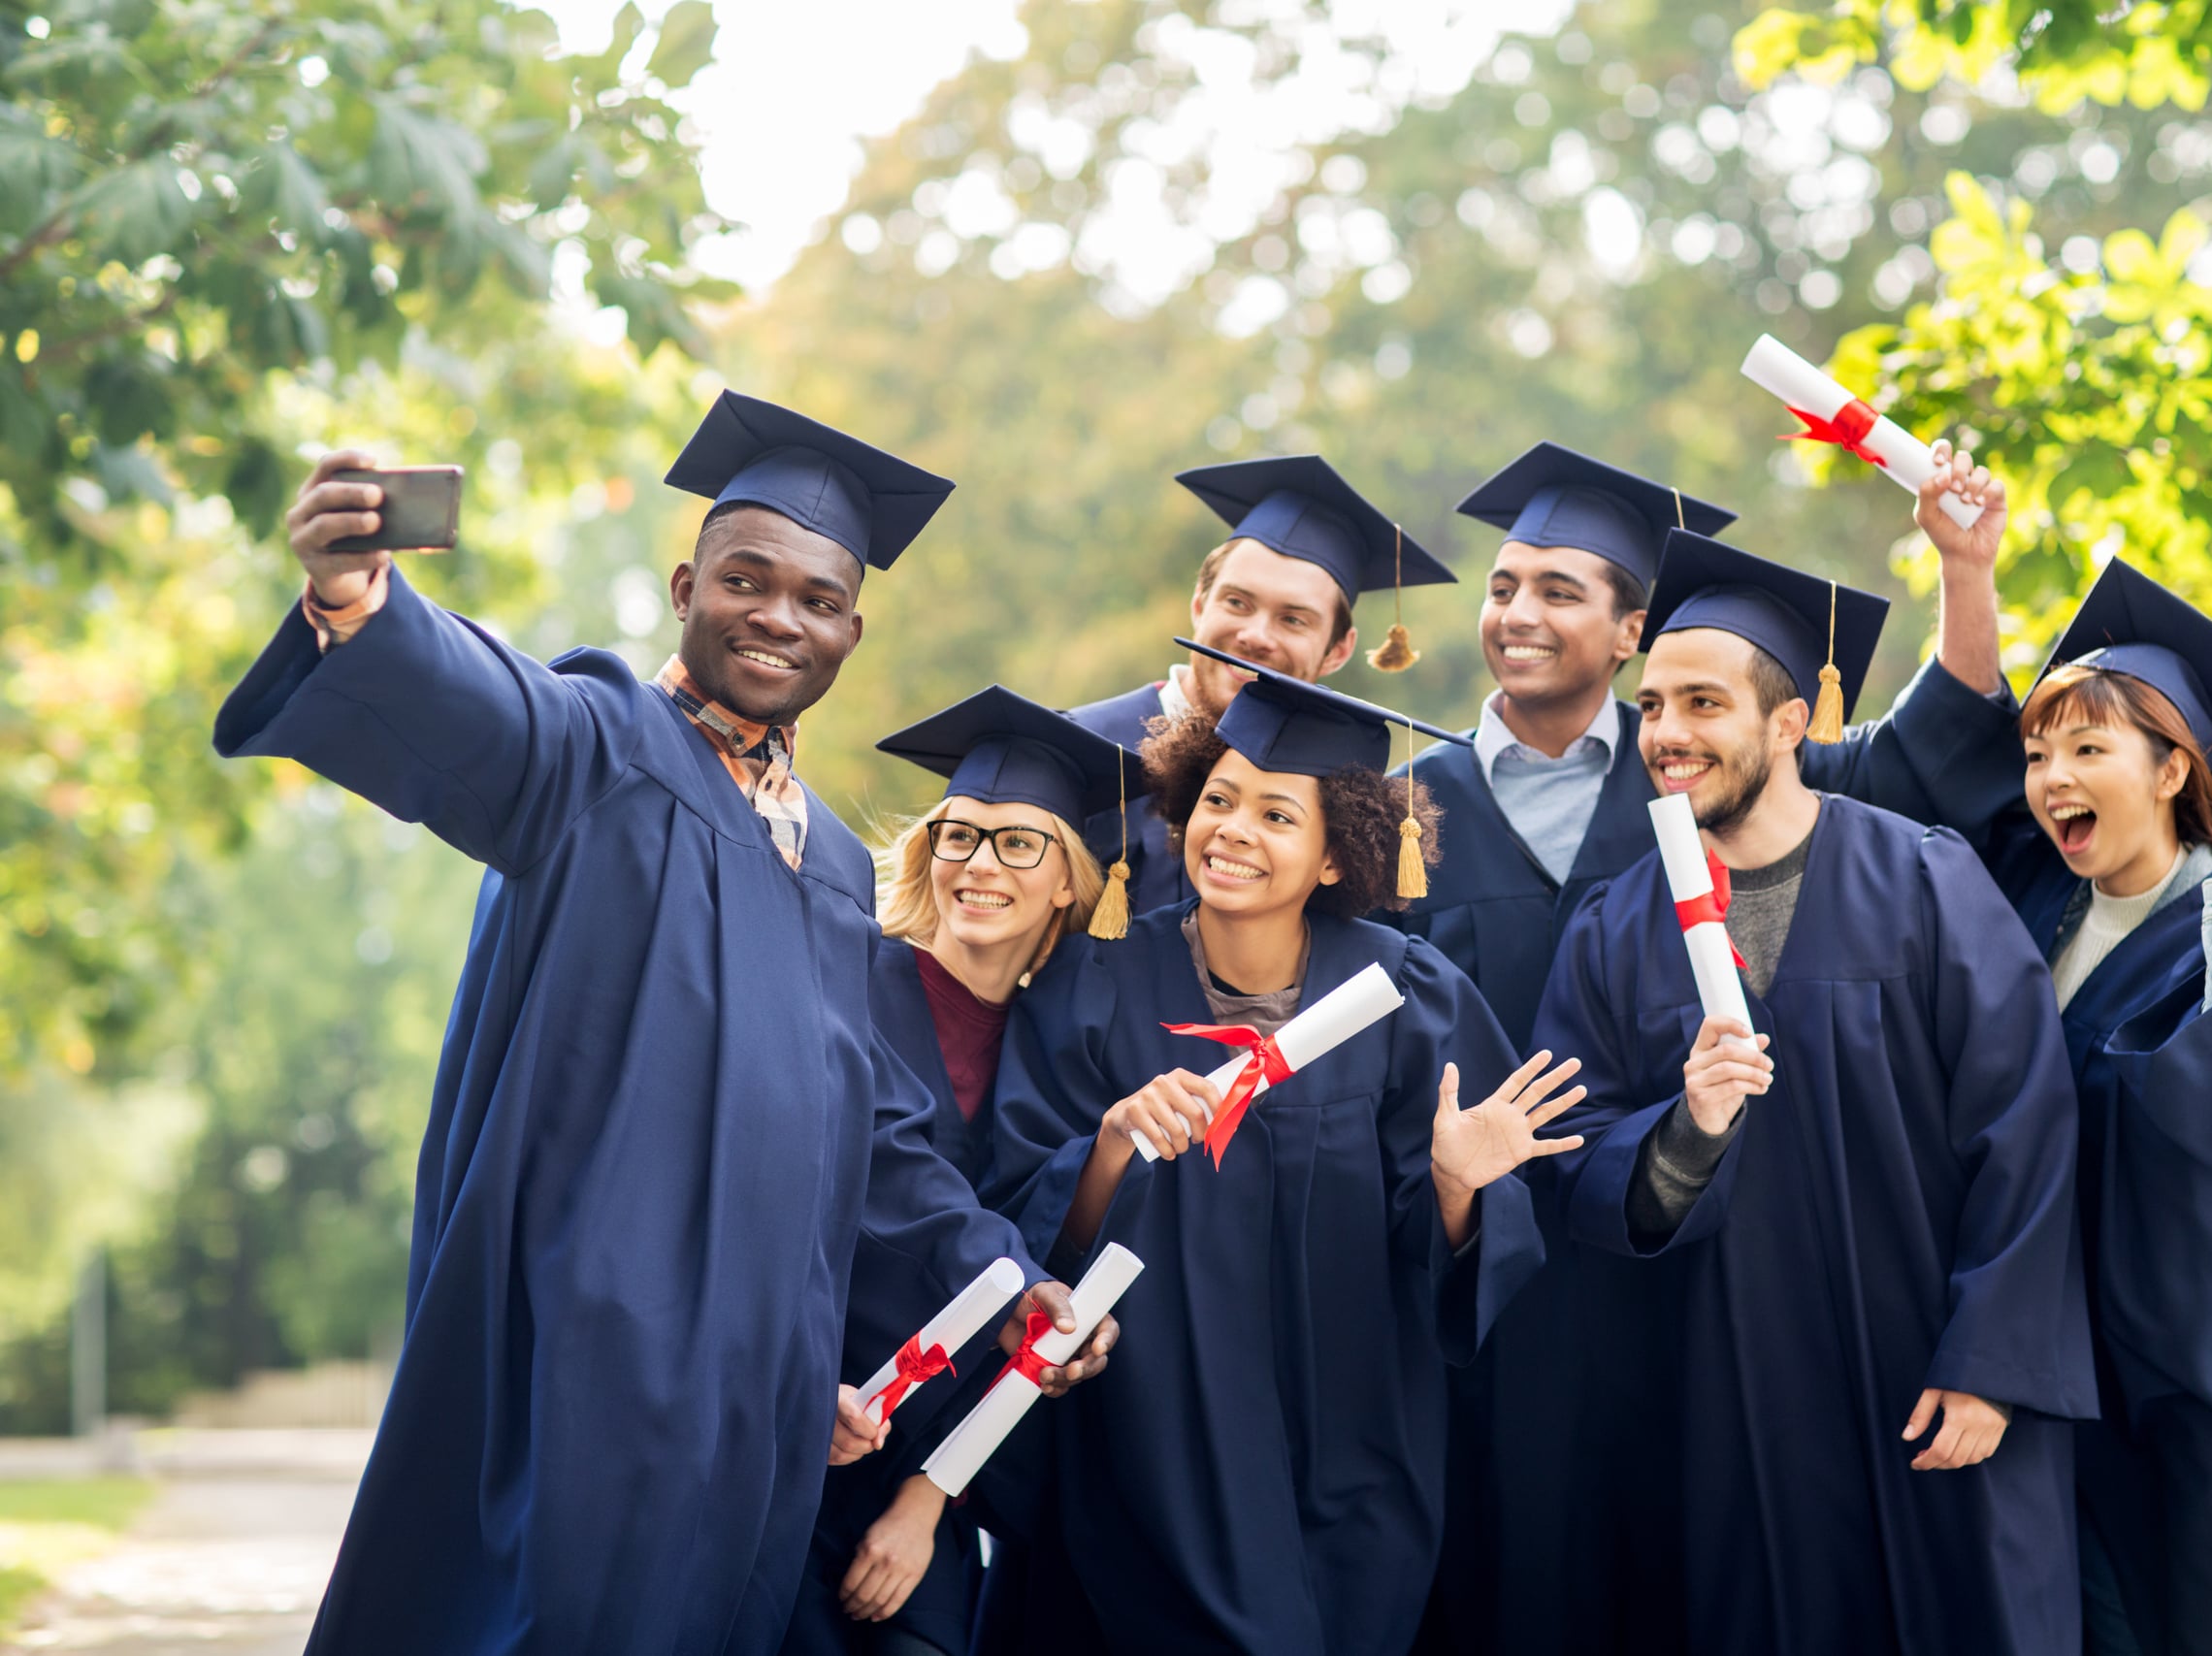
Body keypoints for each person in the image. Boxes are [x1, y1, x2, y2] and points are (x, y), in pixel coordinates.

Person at [215, 392, 1111, 1656]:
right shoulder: (605, 748)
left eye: (815, 597)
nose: (777, 616)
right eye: (747, 579)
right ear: (688, 583)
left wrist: (1007, 1283)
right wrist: (355, 599)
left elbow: (883, 1143)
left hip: (760, 1387)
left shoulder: (839, 869)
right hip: (594, 1350)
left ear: (853, 625)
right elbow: (493, 708)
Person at [1405, 441, 2031, 1656]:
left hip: (1833, 1307)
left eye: (1562, 589)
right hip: (1588, 1290)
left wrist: (1965, 568)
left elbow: (2021, 1120)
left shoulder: (1858, 847)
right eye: (1502, 585)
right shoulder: (1408, 815)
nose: (1672, 730)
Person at [1530, 531, 2096, 1655]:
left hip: (1924, 1381)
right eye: (1650, 709)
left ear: (1789, 724)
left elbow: (2025, 1130)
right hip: (1723, 1397)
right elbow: (1569, 1153)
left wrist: (1989, 1364)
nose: (1668, 736)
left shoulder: (1925, 878)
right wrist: (1683, 1134)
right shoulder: (1610, 923)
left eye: (1702, 704)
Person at [981, 643, 1584, 1655]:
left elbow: (1452, 1265)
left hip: (1351, 1453)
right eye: (1219, 799)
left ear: (1338, 853)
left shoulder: (1410, 999)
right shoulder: (1094, 983)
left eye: (1276, 814)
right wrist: (1115, 1140)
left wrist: (1454, 1186)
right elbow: (1021, 1223)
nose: (1233, 831)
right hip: (1146, 1445)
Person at [1902, 544, 2212, 1656]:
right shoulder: (2030, 897)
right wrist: (1962, 564)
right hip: (2053, 1365)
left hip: (2199, 1367)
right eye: (2040, 752)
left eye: (2088, 748)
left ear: (2171, 769)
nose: (2049, 779)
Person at [785, 688, 1133, 1656]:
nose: (978, 865)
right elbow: (874, 1178)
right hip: (788, 1428)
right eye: (958, 836)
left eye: (1017, 842)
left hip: (922, 1473)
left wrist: (929, 1492)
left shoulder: (1057, 1053)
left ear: (1069, 878)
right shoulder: (845, 978)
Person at [1069, 456, 1453, 916]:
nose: (1255, 637)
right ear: (1198, 604)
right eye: (1237, 602)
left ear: (1338, 650)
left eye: (1293, 619)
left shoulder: (1339, 801)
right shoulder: (1080, 748)